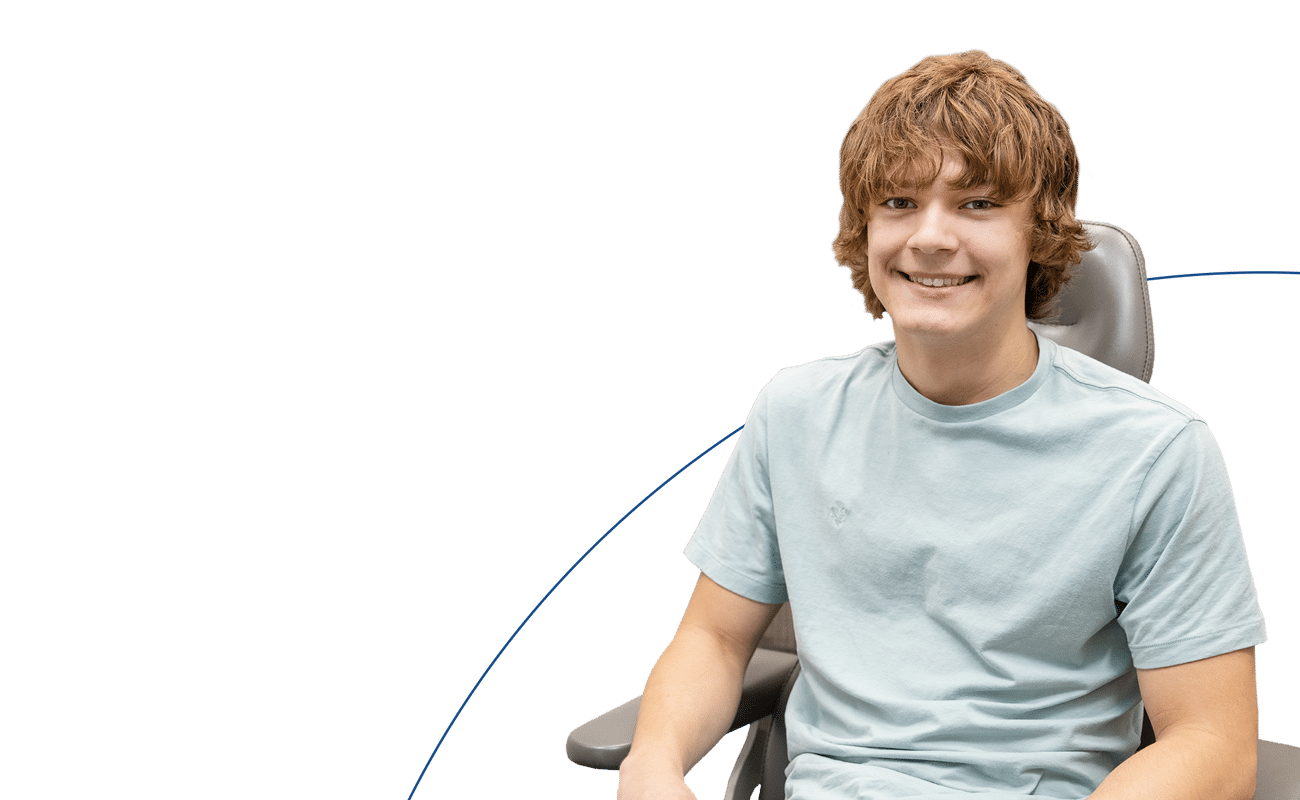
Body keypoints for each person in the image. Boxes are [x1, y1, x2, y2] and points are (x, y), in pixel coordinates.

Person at [615, 50, 1267, 800]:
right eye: (898, 201)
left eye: (977, 203)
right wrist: (652, 766)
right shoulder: (795, 411)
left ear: (1039, 233)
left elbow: (1214, 745)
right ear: (863, 229)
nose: (929, 236)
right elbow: (713, 639)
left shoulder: (1157, 452)